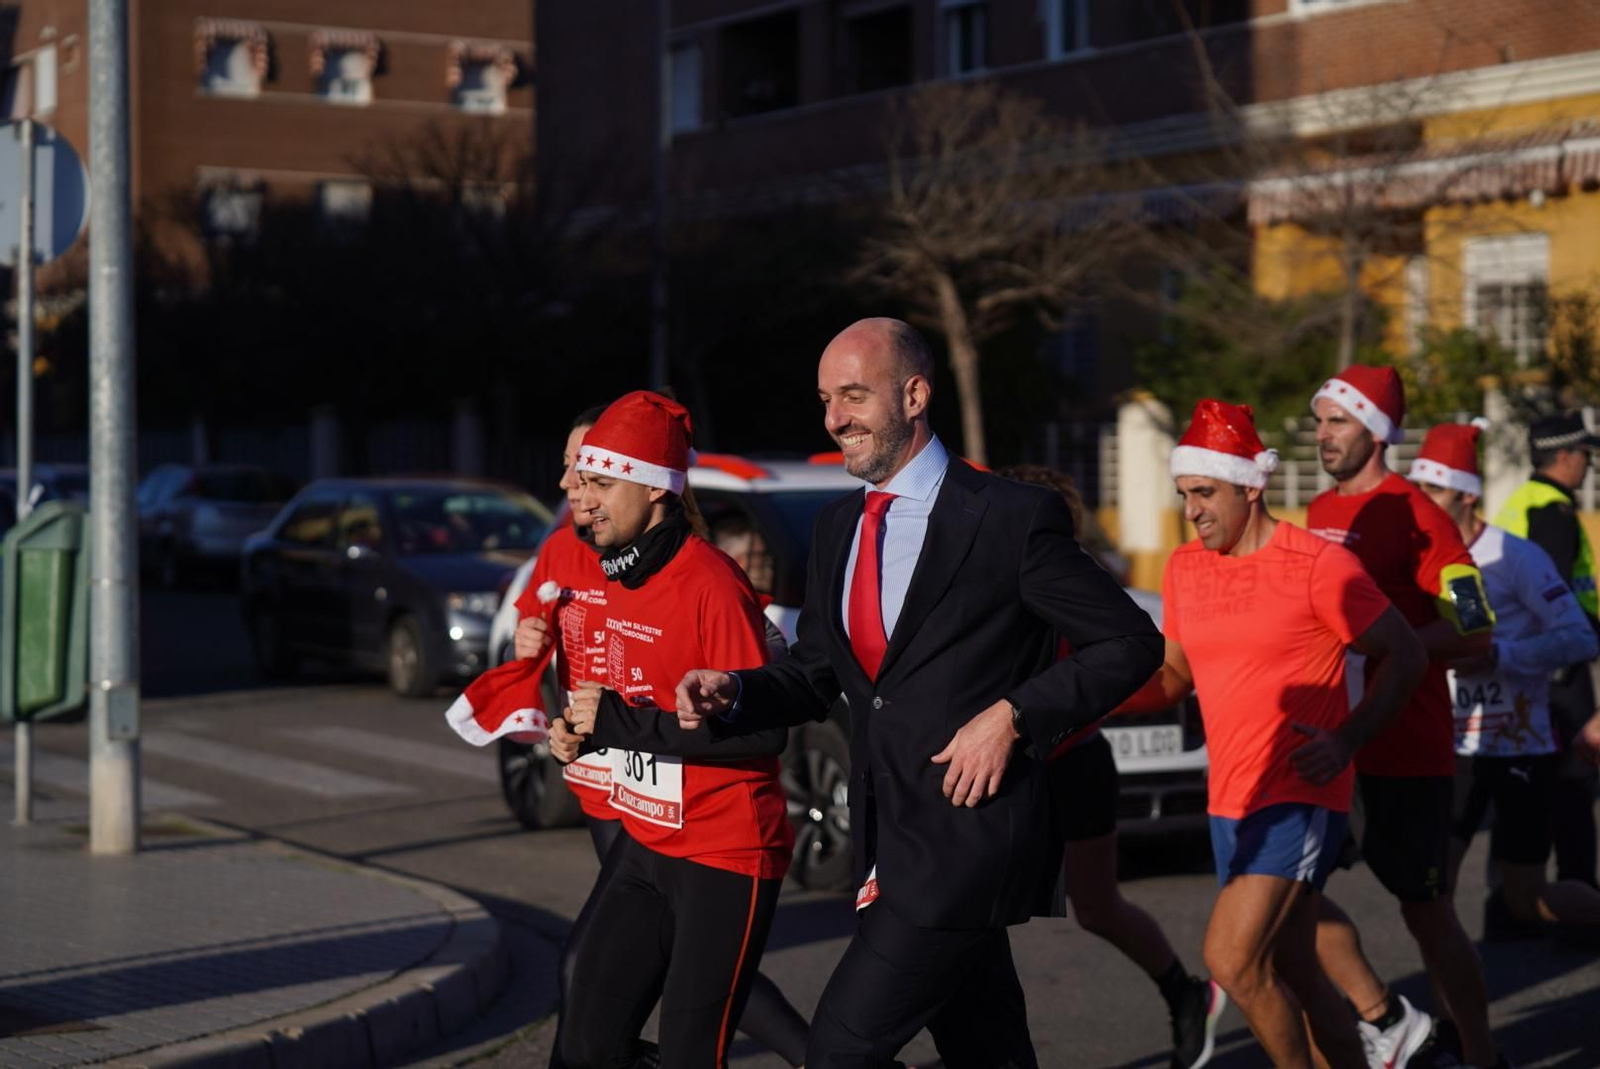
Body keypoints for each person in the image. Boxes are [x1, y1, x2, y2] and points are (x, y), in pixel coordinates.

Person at [676, 317, 1163, 1068]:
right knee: (989, 1050)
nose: (835, 417)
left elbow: (1131, 641)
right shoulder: (839, 525)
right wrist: (732, 691)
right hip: (887, 838)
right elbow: (816, 675)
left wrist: (1015, 715)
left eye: (853, 395)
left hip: (965, 844)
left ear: (914, 394)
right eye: (824, 399)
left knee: (838, 1050)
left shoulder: (1007, 516)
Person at [1118, 399, 1423, 1068]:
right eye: (1184, 494)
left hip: (1300, 787)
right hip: (1229, 795)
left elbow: (1406, 652)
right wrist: (1091, 704)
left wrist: (1348, 739)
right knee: (1298, 971)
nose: (1192, 508)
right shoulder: (1185, 567)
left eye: (1205, 492)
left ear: (1250, 485)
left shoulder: (1318, 565)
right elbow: (1174, 676)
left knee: (1230, 960)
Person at [1306, 366, 1505, 1069]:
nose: (1322, 434)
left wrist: (1391, 644)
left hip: (1405, 748)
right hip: (1330, 745)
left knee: (1426, 912)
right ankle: (1384, 1020)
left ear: (1378, 430)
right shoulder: (1320, 511)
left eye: (1338, 420)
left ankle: (1481, 1054)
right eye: (1320, 420)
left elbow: (1477, 630)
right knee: (1289, 900)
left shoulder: (1421, 516)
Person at [997, 463, 1224, 1069]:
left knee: (1096, 906)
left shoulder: (1074, 579)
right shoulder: (984, 568)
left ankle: (1185, 992)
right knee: (971, 908)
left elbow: (1134, 666)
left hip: (1074, 762)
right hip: (1008, 761)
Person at [1406, 421, 1600, 940]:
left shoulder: (1515, 556)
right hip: (1452, 746)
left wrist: (1500, 655)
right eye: (1416, 489)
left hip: (1519, 744)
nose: (1420, 502)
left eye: (1434, 491)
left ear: (1467, 496)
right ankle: (1447, 1015)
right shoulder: (1421, 559)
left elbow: (1580, 638)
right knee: (1429, 890)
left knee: (1527, 900)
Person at [1493, 411, 1600, 891]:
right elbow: (1554, 601)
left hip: (1530, 661)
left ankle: (1510, 902)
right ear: (1563, 455)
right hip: (1555, 666)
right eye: (1585, 455)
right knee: (1574, 781)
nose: (1589, 465)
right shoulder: (1549, 510)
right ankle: (1576, 897)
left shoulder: (1524, 501)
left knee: (1529, 779)